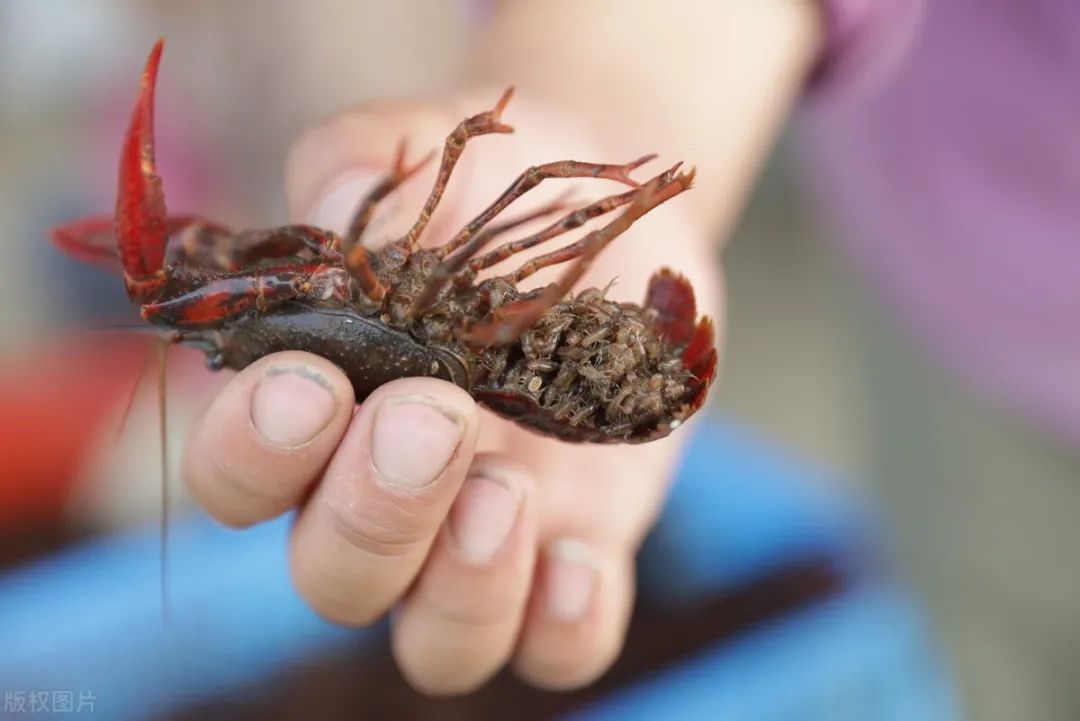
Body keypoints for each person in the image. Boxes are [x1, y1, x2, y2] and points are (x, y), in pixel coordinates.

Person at [182, 2, 1080, 717]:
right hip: (985, 288)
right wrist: (603, 100)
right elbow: (531, 191)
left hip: (992, 267)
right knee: (981, 641)